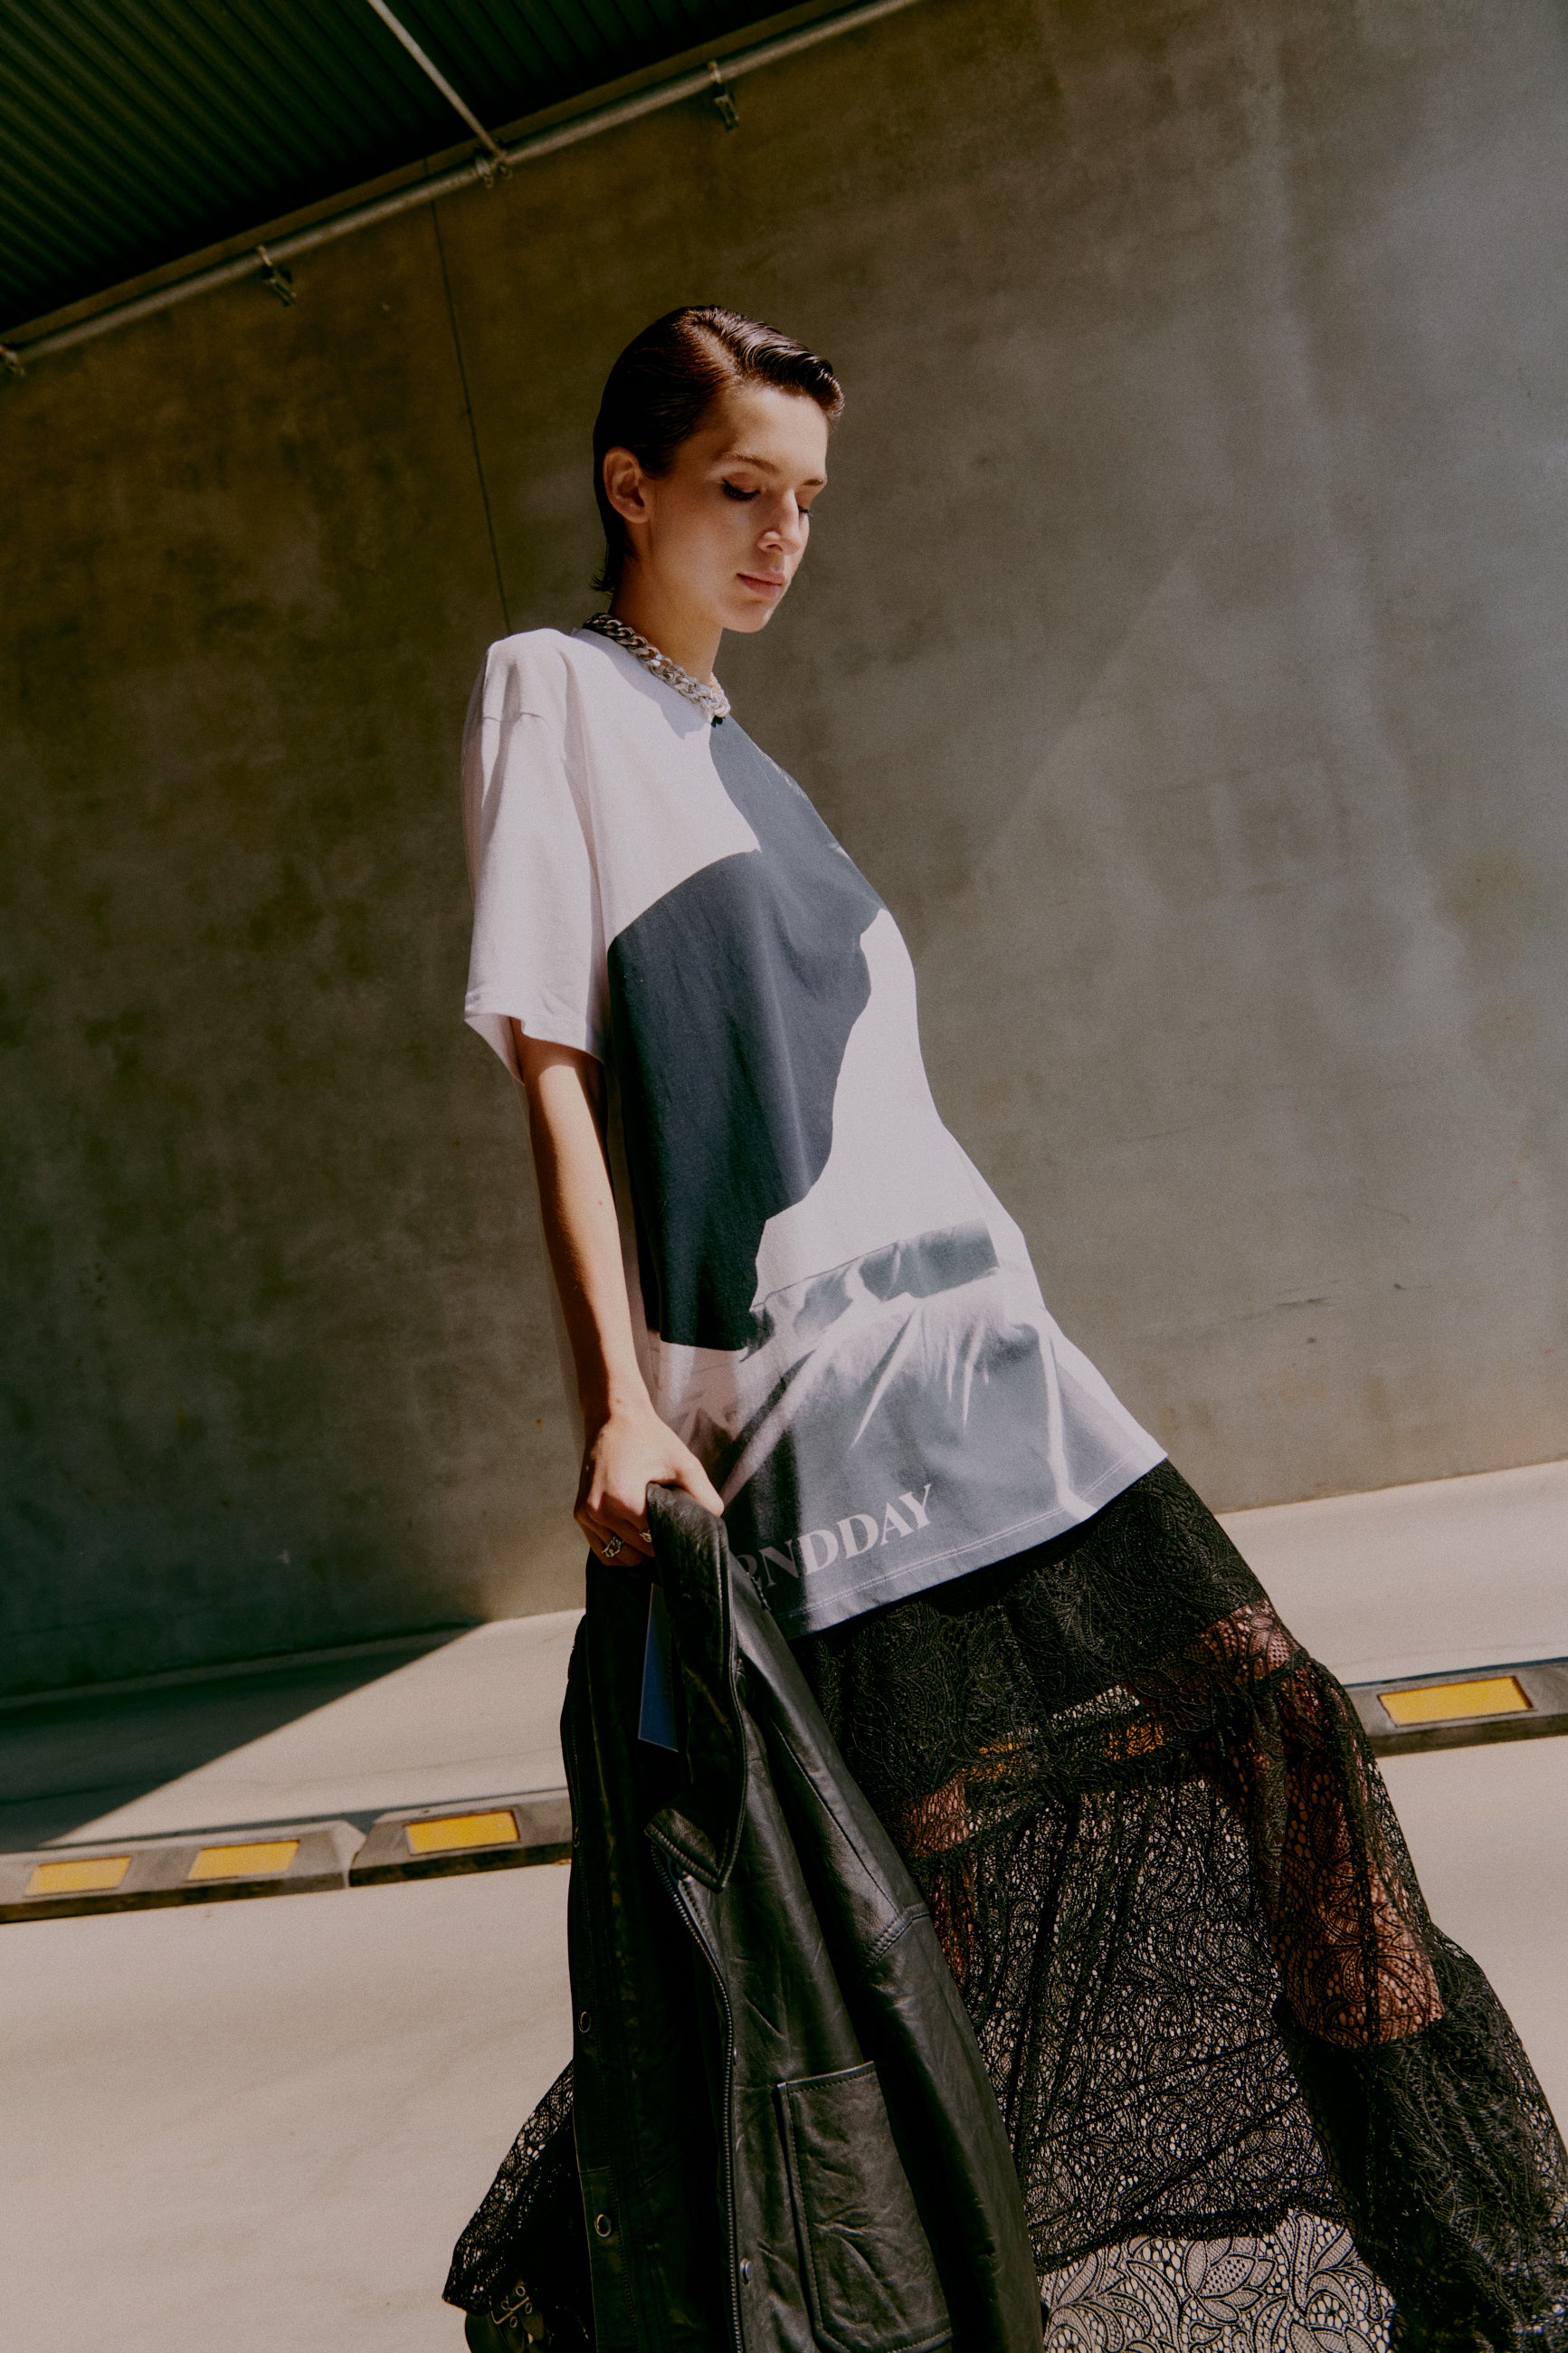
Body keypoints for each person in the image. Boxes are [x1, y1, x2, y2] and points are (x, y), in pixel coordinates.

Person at [447, 307, 1568, 2349]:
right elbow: (554, 1069)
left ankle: (1475, 2288)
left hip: (999, 1375)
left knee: (1283, 1730)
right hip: (811, 1427)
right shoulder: (557, 693)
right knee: (888, 1936)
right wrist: (615, 1401)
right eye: (740, 490)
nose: (783, 537)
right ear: (630, 486)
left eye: (808, 501)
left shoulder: (749, 763)